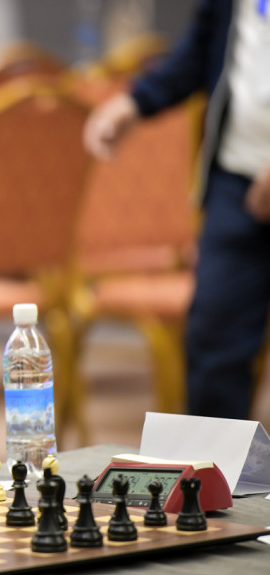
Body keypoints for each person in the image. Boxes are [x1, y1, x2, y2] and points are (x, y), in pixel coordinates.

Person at [83, 0, 270, 421]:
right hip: (235, 182)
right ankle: (216, 463)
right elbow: (201, 51)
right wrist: (135, 102)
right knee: (214, 340)